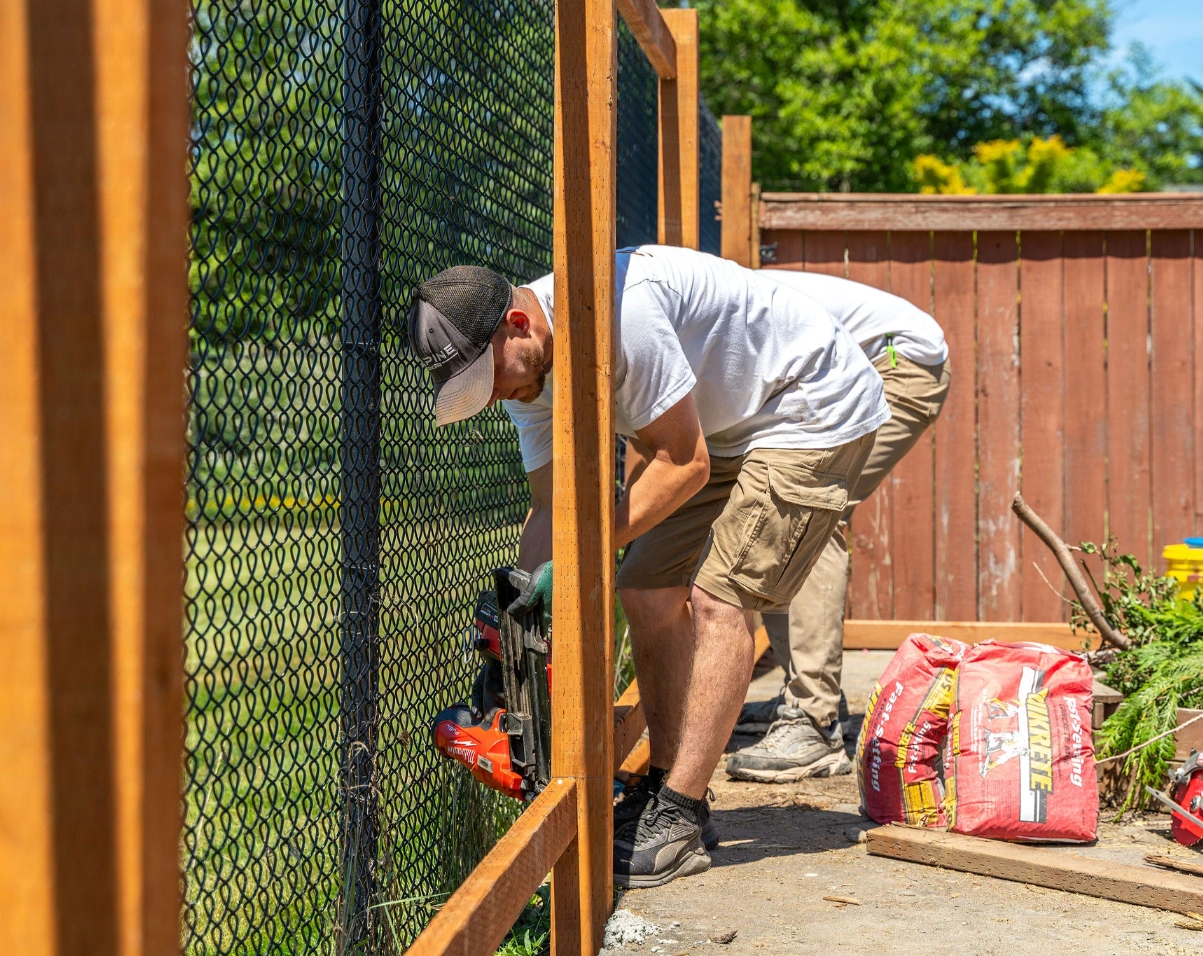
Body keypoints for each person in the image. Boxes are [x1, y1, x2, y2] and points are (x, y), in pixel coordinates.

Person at [406, 247, 889, 888]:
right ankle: (665, 785)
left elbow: (682, 464)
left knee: (720, 599)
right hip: (726, 429)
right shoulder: (526, 376)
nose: (494, 395)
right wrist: (514, 626)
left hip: (807, 404)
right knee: (645, 589)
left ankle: (680, 815)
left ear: (517, 324)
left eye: (489, 377)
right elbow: (552, 510)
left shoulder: (619, 311)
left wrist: (576, 558)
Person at [725, 269, 950, 783]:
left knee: (810, 511)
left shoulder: (710, 319)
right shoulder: (697, 314)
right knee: (781, 512)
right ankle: (804, 695)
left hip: (898, 362)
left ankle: (813, 720)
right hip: (856, 365)